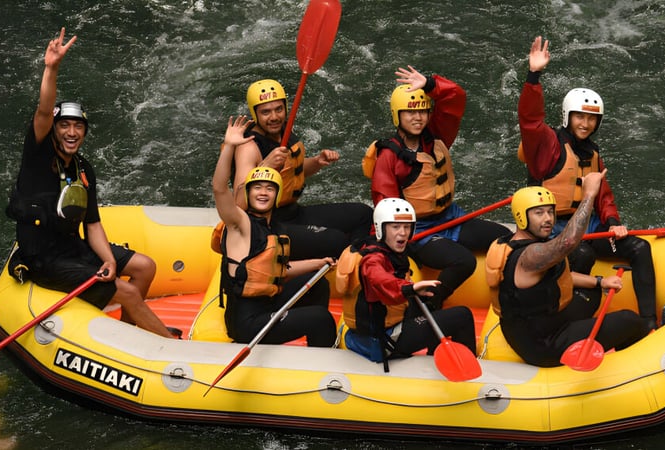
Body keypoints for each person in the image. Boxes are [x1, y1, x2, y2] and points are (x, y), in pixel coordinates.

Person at [5, 28, 175, 338]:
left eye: (78, 127)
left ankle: (128, 330)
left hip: (74, 248)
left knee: (145, 267)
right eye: (65, 126)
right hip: (44, 259)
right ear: (54, 130)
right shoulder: (38, 156)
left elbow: (93, 224)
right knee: (127, 291)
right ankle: (168, 345)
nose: (71, 132)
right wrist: (52, 67)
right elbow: (44, 109)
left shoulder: (83, 170)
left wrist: (109, 259)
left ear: (84, 133)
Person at [517, 36, 657, 330]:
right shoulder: (548, 145)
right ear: (568, 116)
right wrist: (534, 75)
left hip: (589, 226)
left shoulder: (593, 152)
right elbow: (530, 120)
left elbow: (603, 195)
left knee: (640, 248)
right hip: (553, 227)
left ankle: (648, 323)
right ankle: (566, 320)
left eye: (592, 118)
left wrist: (613, 221)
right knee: (582, 253)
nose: (585, 123)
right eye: (580, 116)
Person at [367, 65, 508, 309]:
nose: (418, 118)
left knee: (504, 238)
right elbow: (385, 206)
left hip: (449, 218)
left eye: (422, 111)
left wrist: (431, 84)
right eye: (410, 113)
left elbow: (457, 97)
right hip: (417, 232)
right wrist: (400, 241)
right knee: (463, 261)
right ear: (396, 115)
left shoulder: (437, 137)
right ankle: (431, 305)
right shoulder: (388, 157)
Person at [484, 173, 649, 367]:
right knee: (630, 321)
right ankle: (627, 372)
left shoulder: (512, 244)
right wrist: (589, 195)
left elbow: (562, 277)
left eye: (550, 212)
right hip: (543, 344)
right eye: (538, 213)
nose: (547, 219)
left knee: (592, 293)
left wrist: (600, 281)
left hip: (541, 324)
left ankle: (584, 330)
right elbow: (569, 241)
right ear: (521, 217)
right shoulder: (529, 257)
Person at [212, 115, 337, 347]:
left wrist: (318, 263)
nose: (262, 193)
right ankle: (323, 366)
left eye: (269, 188)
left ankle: (310, 350)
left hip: (268, 302)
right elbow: (220, 189)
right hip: (248, 321)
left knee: (319, 283)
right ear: (248, 193)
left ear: (277, 194)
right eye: (257, 187)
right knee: (320, 319)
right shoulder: (241, 224)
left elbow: (277, 271)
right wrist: (229, 146)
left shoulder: (275, 228)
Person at [231, 79, 373, 260]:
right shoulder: (249, 147)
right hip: (265, 225)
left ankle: (357, 263)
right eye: (265, 112)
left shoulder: (284, 132)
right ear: (255, 113)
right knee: (336, 240)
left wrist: (316, 161)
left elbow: (292, 171)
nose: (274, 117)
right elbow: (238, 203)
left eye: (278, 109)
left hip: (293, 213)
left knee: (363, 214)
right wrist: (266, 166)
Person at [344, 198, 477, 368]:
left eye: (407, 227)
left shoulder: (380, 248)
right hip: (384, 340)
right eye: (395, 227)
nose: (403, 233)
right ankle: (469, 374)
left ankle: (434, 358)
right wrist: (410, 288)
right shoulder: (372, 260)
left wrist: (414, 292)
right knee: (462, 316)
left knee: (431, 301)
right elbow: (381, 280)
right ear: (380, 228)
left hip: (376, 331)